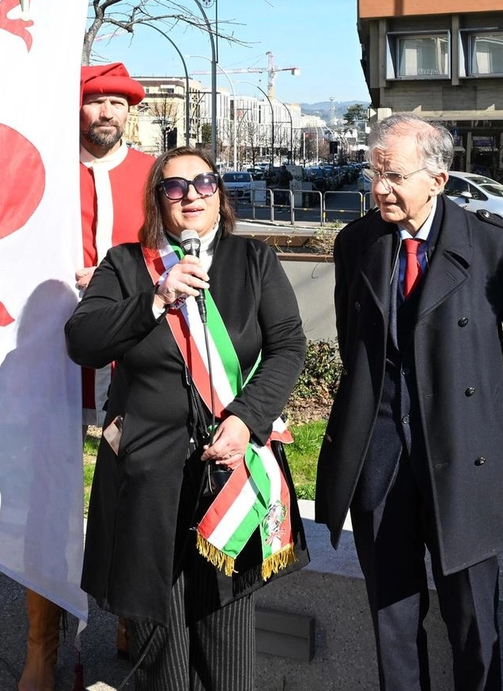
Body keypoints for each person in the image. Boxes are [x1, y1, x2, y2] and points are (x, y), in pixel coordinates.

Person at [315, 114, 503, 691]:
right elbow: (356, 345)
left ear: (438, 179)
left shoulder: (492, 246)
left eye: (393, 175)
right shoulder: (357, 243)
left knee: (474, 628)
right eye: (374, 173)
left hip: (464, 459)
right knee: (392, 623)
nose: (379, 189)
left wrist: (501, 435)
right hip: (381, 459)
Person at [66, 147, 309, 690]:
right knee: (162, 636)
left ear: (219, 193)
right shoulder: (127, 265)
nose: (192, 195)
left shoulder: (253, 261)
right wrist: (156, 298)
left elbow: (288, 345)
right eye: (175, 187)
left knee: (226, 628)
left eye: (203, 182)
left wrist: (247, 418)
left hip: (233, 470)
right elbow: (81, 341)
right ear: (159, 202)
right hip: (149, 476)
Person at [20, 62, 157, 691]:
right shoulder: (44, 172)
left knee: (134, 492)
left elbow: (178, 247)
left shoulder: (155, 176)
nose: (105, 111)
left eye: (116, 102)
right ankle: (41, 646)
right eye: (93, 101)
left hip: (134, 354)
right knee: (47, 501)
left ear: (130, 112)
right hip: (52, 349)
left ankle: (131, 613)